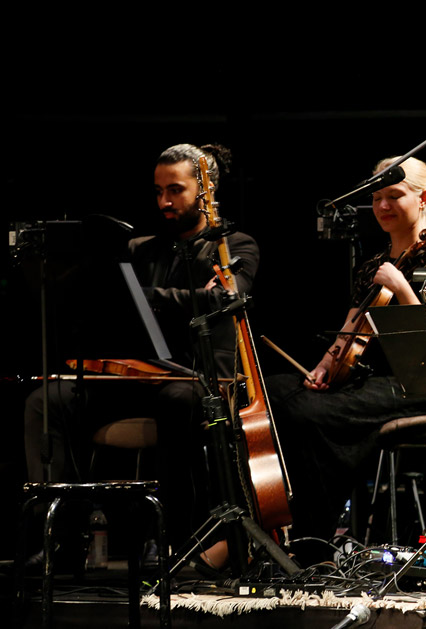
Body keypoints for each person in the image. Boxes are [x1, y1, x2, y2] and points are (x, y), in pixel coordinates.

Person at [23, 143, 259, 550]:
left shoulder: (233, 245)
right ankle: (59, 542)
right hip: (133, 377)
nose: (164, 201)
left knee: (179, 401)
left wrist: (147, 294)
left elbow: (223, 297)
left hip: (194, 378)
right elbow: (116, 303)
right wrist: (178, 296)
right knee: (46, 402)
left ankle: (174, 538)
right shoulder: (139, 248)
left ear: (206, 191)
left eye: (176, 190)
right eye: (158, 191)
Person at [266, 156, 426, 554]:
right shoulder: (372, 266)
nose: (382, 207)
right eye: (376, 198)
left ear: (424, 198)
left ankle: (315, 538)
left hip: (415, 385)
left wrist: (402, 287)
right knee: (274, 392)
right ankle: (276, 524)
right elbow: (349, 329)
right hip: (365, 383)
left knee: (308, 414)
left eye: (394, 195)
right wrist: (326, 364)